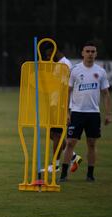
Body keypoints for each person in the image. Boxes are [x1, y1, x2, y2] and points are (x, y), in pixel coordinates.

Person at [59, 41, 112, 182]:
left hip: (93, 113)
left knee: (92, 143)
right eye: (87, 51)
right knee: (70, 142)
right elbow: (67, 92)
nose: (90, 54)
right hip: (77, 112)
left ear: (96, 54)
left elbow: (106, 94)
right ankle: (64, 175)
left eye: (92, 51)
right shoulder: (75, 70)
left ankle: (90, 175)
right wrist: (67, 112)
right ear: (82, 53)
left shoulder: (100, 72)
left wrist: (108, 114)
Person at [40, 43, 82, 173]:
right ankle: (74, 156)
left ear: (55, 51)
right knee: (52, 135)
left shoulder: (66, 65)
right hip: (54, 102)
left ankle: (56, 165)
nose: (48, 58)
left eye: (49, 55)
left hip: (61, 104)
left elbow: (66, 87)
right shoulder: (58, 65)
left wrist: (66, 107)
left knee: (57, 134)